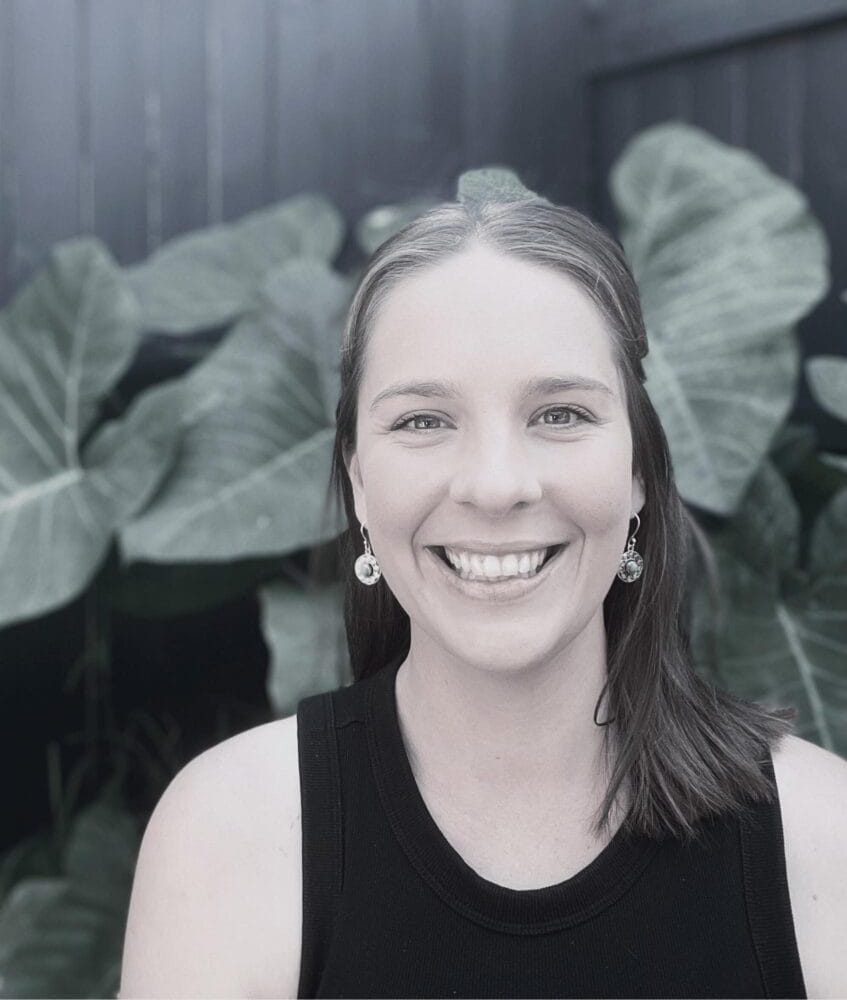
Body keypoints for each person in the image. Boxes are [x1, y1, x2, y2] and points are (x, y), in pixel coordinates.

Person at [119, 195, 847, 999]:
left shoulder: (822, 837)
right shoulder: (229, 836)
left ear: (638, 469)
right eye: (425, 421)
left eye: (560, 413)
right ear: (359, 479)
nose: (495, 486)